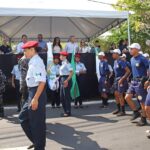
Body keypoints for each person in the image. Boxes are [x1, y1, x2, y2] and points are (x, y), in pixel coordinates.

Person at [19, 41, 47, 150]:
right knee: (23, 118)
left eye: (26, 50)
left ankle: (39, 146)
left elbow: (42, 82)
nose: (24, 53)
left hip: (36, 93)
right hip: (32, 92)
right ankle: (37, 142)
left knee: (37, 123)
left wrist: (35, 98)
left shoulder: (37, 62)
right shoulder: (32, 61)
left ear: (32, 50)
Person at [125, 43, 149, 126]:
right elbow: (133, 70)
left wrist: (147, 80)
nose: (130, 50)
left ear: (137, 49)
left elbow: (148, 69)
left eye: (132, 48)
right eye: (130, 49)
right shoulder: (131, 59)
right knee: (127, 97)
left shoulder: (142, 58)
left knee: (142, 102)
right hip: (133, 82)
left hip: (140, 83)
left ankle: (143, 119)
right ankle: (136, 112)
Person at [112, 49, 130, 116]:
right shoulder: (115, 61)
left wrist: (122, 79)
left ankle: (123, 111)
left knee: (120, 95)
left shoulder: (121, 61)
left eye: (113, 53)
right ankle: (118, 109)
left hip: (121, 80)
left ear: (117, 54)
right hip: (116, 80)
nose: (112, 54)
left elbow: (128, 71)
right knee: (116, 94)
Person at [59, 51, 73, 117]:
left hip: (66, 79)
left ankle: (68, 112)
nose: (60, 57)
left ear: (64, 56)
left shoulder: (67, 63)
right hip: (62, 79)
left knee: (66, 96)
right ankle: (65, 111)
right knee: (62, 96)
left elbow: (71, 73)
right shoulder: (63, 63)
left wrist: (66, 80)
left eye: (61, 56)